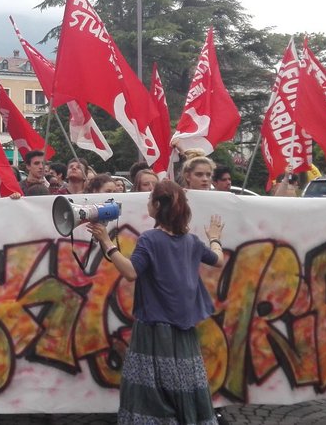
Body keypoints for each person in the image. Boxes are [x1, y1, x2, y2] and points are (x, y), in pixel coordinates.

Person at [86, 180, 226, 424]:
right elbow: (218, 259)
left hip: (153, 329)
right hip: (183, 329)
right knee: (185, 382)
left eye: (151, 198)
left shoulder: (150, 239)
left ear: (158, 205)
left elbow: (131, 272)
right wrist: (214, 238)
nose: (148, 202)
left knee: (151, 390)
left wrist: (106, 242)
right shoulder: (191, 241)